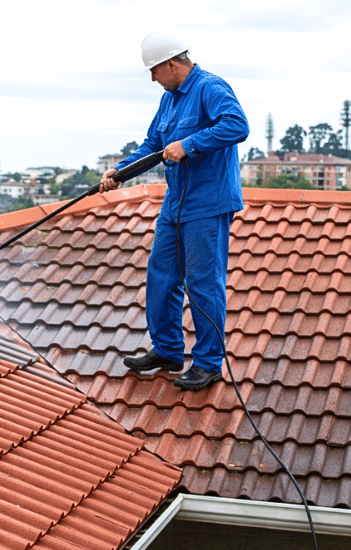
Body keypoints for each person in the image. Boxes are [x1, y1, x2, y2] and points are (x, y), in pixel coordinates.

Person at [100, 30, 249, 391]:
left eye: (154, 71)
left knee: (202, 283)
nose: (152, 78)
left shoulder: (210, 88)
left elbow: (237, 126)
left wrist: (191, 144)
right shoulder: (169, 99)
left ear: (171, 64)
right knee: (162, 275)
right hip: (176, 204)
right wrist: (120, 171)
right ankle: (167, 350)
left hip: (207, 204)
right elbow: (153, 144)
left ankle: (209, 363)